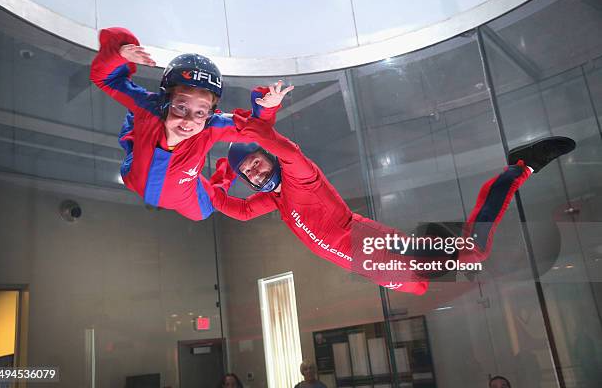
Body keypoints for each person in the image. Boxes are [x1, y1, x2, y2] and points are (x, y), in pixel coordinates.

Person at [208, 86, 576, 295]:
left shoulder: (298, 175)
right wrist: (218, 177)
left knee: (473, 251)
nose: (255, 171)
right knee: (422, 287)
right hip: (372, 263)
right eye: (247, 171)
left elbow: (286, 149)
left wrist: (258, 120)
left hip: (376, 247)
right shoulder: (274, 198)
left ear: (267, 156)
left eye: (256, 160)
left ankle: (519, 168)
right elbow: (236, 210)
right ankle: (517, 169)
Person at [90, 27, 292, 220]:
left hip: (185, 199)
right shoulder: (150, 108)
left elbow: (255, 130)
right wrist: (120, 54)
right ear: (166, 100)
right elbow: (106, 79)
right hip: (135, 176)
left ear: (210, 113)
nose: (188, 121)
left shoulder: (210, 126)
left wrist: (267, 107)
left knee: (210, 205)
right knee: (135, 123)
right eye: (181, 107)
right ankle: (136, 127)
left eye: (200, 112)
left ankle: (226, 171)